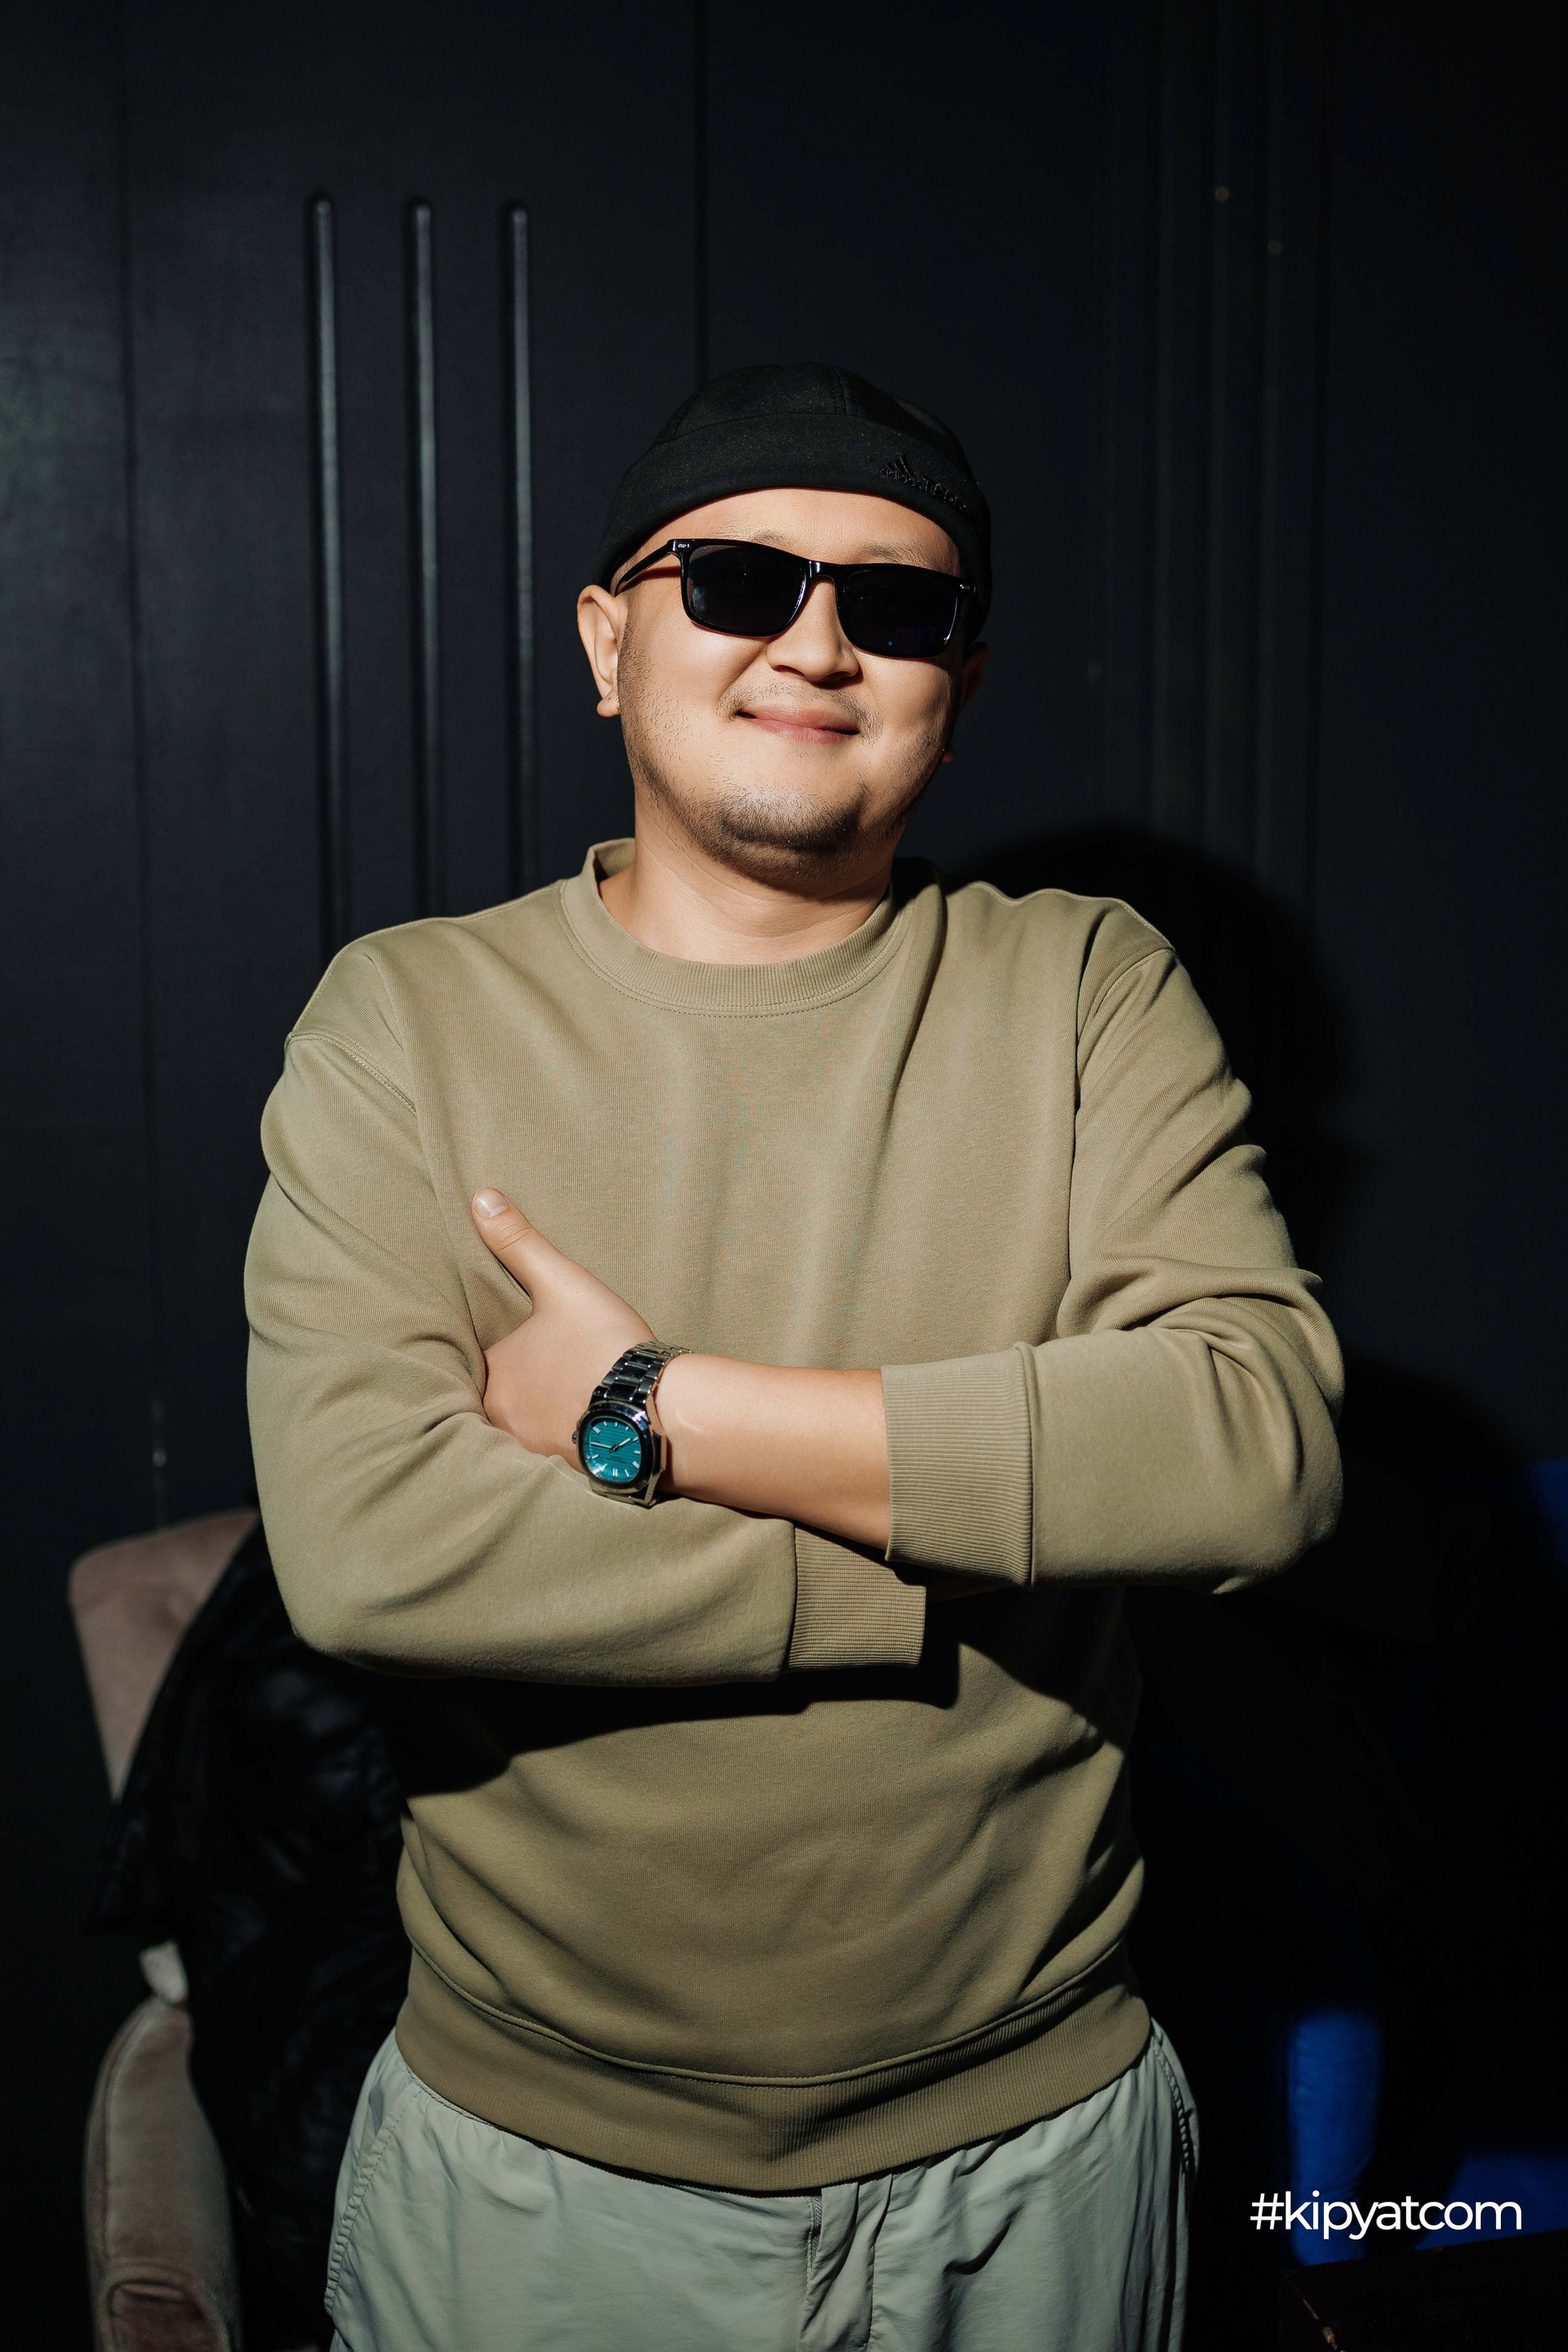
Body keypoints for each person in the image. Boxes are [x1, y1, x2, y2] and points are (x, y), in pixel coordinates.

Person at [245, 361, 1343, 2352]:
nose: (817, 642)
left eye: (896, 607)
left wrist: (653, 1409)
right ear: (611, 641)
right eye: (740, 579)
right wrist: (962, 1541)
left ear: (957, 685)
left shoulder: (1083, 986)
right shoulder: (405, 1019)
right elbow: (369, 1548)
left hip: (1039, 2149)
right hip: (543, 2172)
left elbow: (1255, 1452)